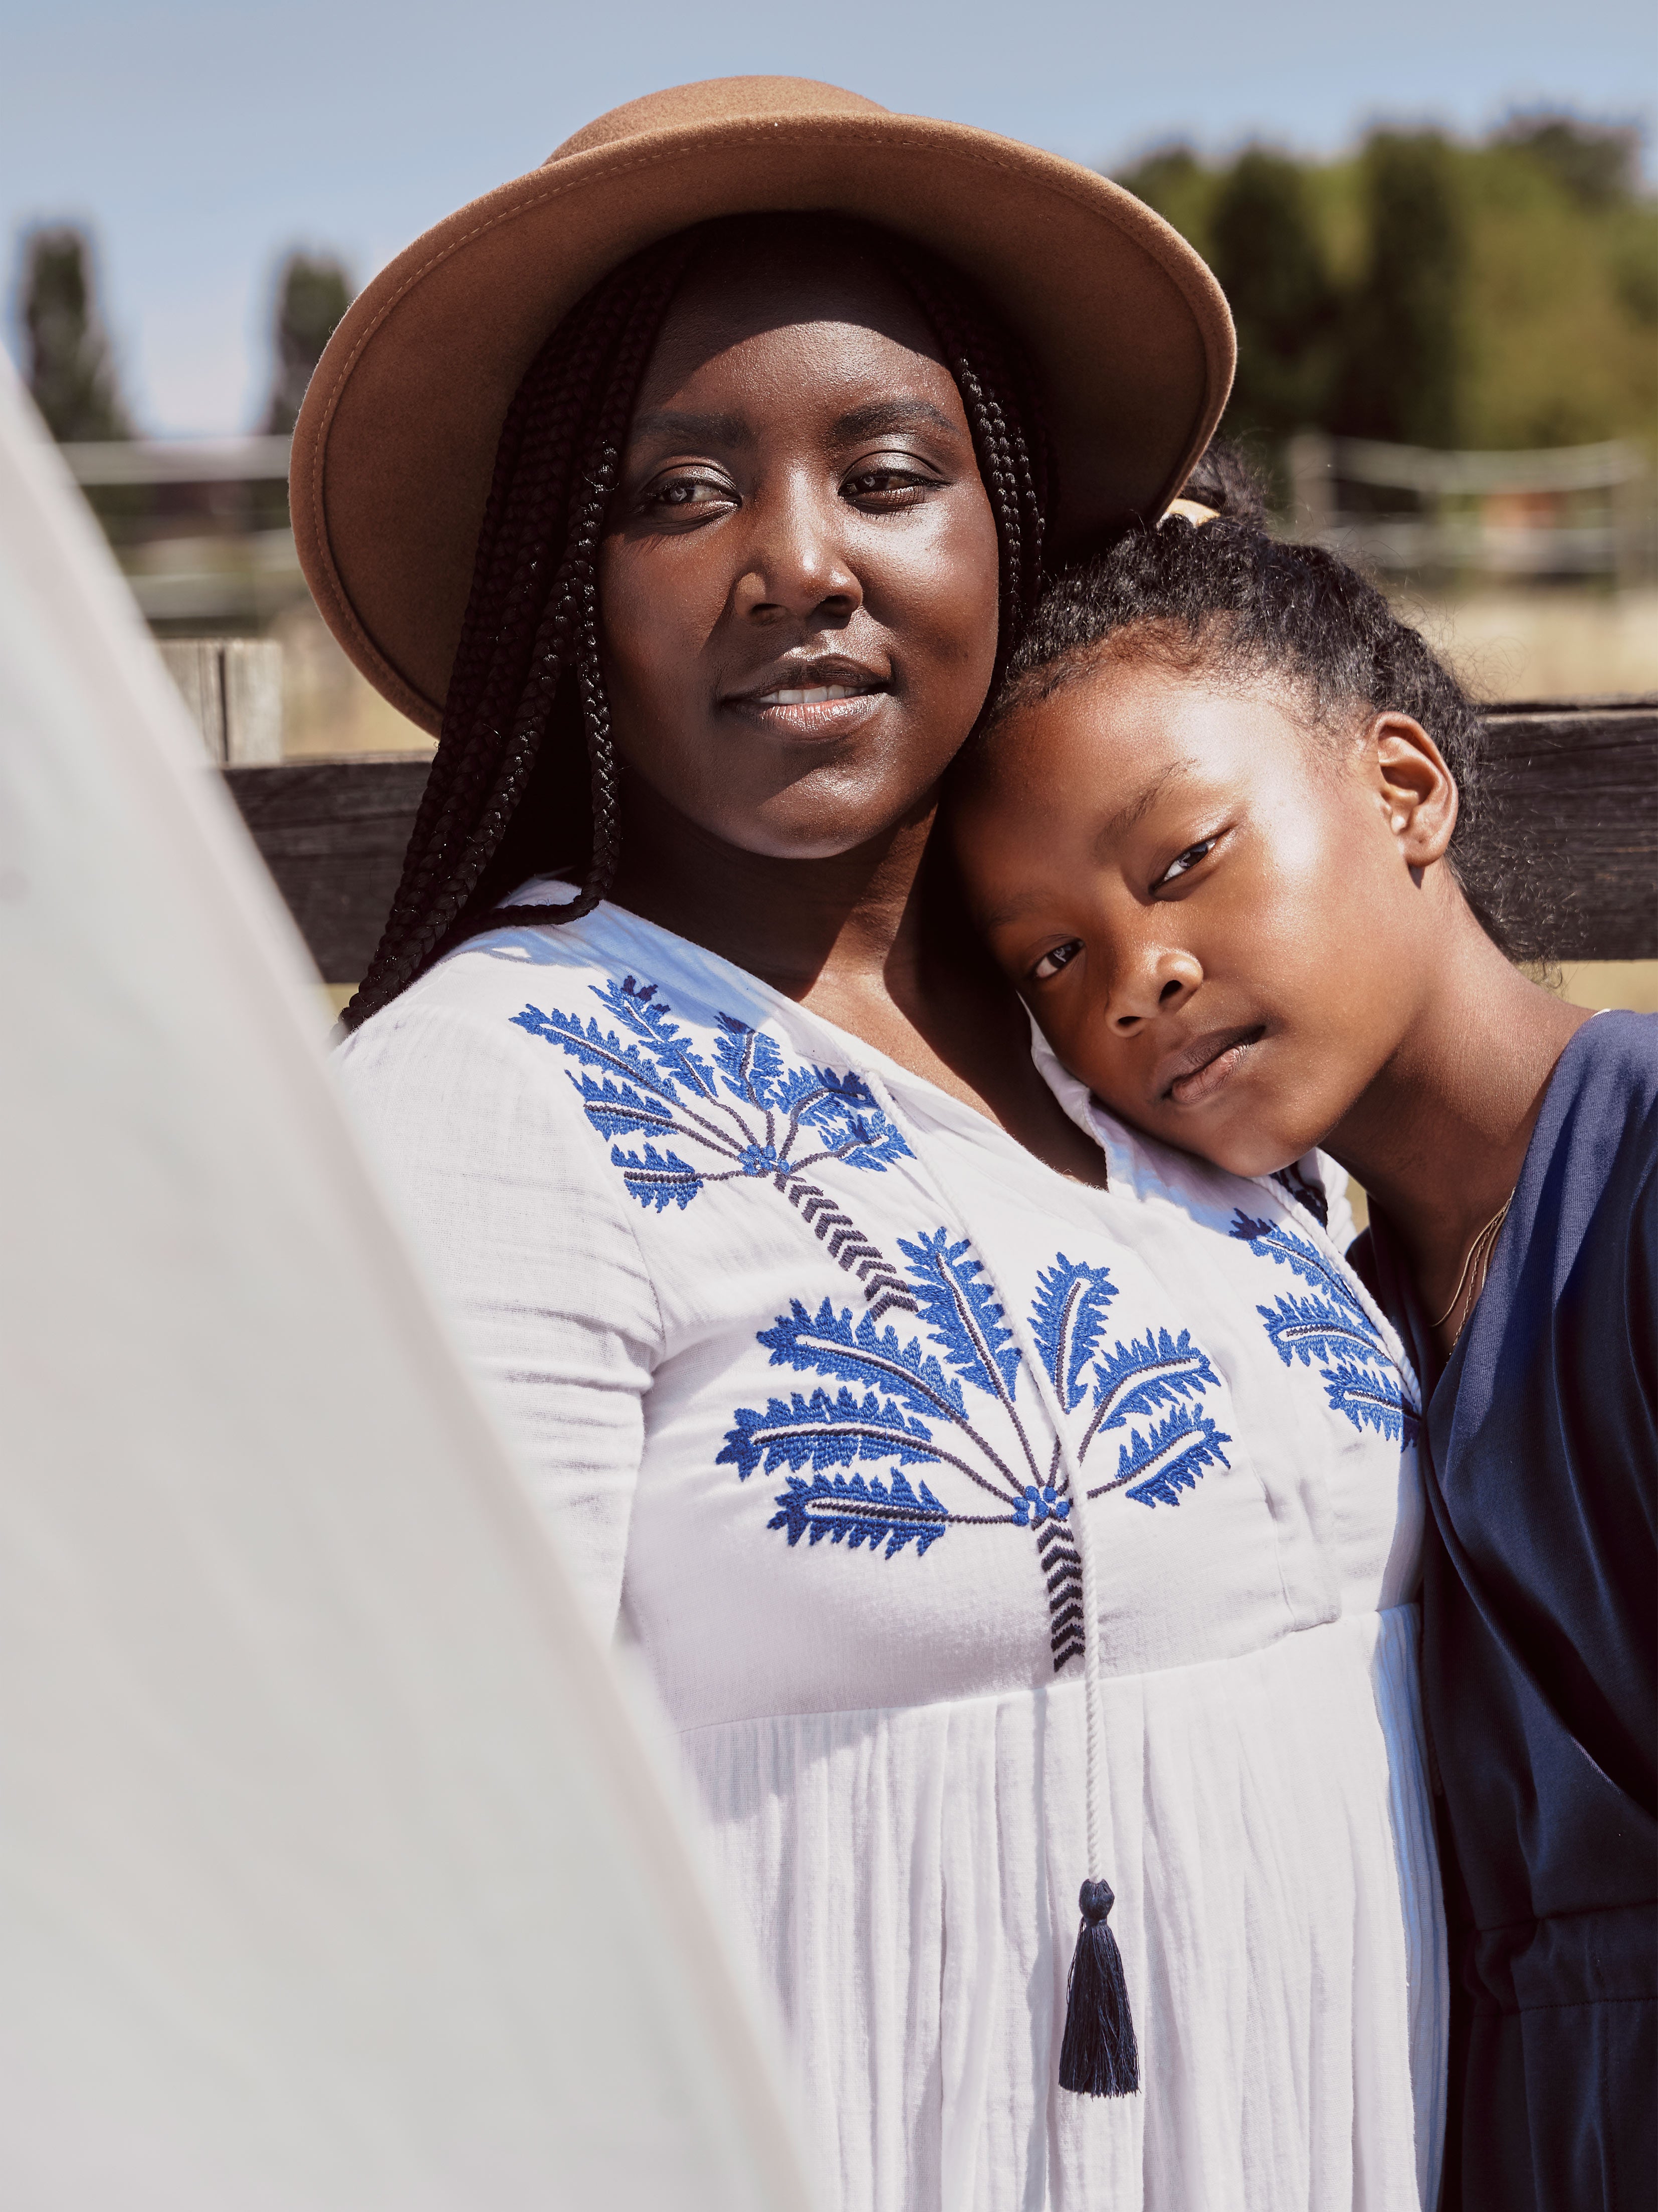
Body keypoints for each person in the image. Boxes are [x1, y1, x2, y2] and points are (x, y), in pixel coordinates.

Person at [305, 80, 1445, 2209]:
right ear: (569, 583)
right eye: (674, 493)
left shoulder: (1129, 1041)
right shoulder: (496, 1100)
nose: (793, 562)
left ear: (1002, 525)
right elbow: (407, 1895)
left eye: (888, 472)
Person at [951, 475, 1656, 2210]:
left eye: (1182, 859)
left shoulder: (1639, 1187)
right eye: (1049, 958)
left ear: (1401, 785)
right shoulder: (1336, 1327)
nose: (1136, 976)